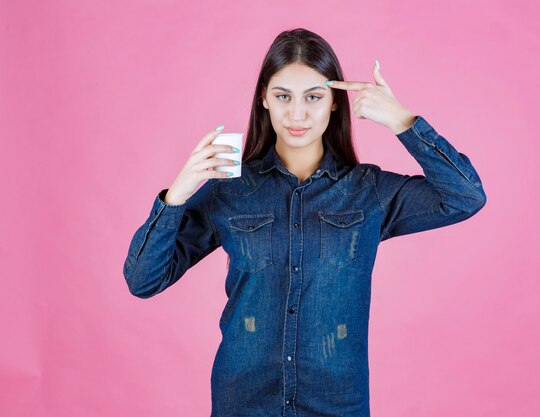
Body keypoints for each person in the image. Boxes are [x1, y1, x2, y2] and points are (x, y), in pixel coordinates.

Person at [123, 27, 486, 417]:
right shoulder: (230, 190)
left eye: (313, 97)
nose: (297, 114)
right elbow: (144, 279)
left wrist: (403, 121)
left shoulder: (368, 191)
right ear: (264, 98)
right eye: (283, 97)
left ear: (334, 103)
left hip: (336, 404)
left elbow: (465, 197)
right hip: (244, 403)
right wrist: (176, 195)